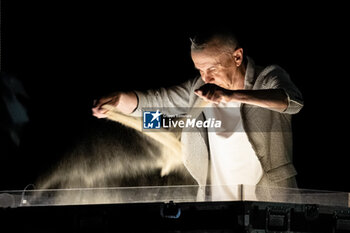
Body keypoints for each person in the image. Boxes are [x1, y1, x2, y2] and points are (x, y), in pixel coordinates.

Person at [92, 29, 304, 200]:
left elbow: (293, 102)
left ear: (237, 56)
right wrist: (120, 102)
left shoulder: (267, 78)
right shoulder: (200, 88)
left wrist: (233, 96)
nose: (206, 77)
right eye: (200, 70)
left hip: (269, 203)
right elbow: (160, 102)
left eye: (212, 68)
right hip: (217, 206)